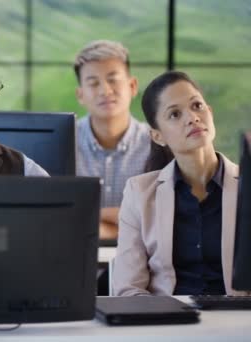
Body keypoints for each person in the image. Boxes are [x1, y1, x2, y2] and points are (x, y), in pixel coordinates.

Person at [112, 70, 247, 296]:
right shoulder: (140, 192)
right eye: (175, 114)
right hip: (168, 322)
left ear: (210, 112)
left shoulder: (247, 184)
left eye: (197, 106)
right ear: (158, 136)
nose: (193, 117)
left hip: (239, 321)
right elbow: (128, 289)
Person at [74, 40, 151, 240]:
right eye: (93, 83)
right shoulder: (62, 142)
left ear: (132, 86)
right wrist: (126, 220)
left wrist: (93, 222)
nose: (105, 91)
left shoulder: (157, 144)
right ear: (80, 95)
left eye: (113, 79)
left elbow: (159, 221)